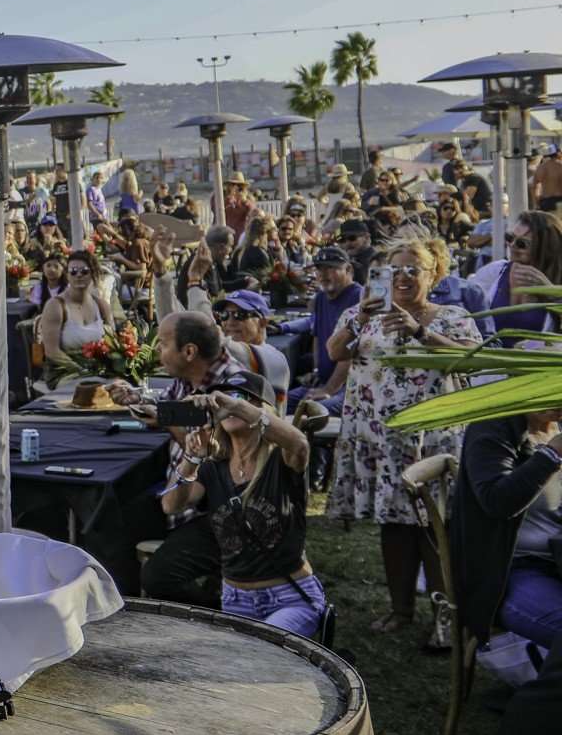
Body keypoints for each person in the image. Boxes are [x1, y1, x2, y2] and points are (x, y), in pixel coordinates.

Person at [328, 240, 482, 645]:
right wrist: (358, 318)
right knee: (393, 527)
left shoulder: (451, 317)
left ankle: (445, 619)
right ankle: (401, 610)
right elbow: (334, 352)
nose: (403, 276)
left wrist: (420, 332)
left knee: (434, 527)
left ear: (435, 275)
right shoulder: (361, 315)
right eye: (395, 268)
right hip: (379, 439)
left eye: (415, 269)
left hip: (431, 440)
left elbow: (471, 359)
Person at [157, 339, 323, 637]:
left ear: (261, 409)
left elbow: (299, 443)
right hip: (236, 599)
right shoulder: (213, 467)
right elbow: (171, 505)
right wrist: (192, 458)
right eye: (226, 397)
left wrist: (236, 405)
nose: (230, 403)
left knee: (263, 651)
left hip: (288, 597)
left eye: (243, 397)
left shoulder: (281, 460)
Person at [452, 408, 562, 735]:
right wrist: (552, 455)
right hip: (507, 573)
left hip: (553, 563)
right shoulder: (494, 426)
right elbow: (497, 501)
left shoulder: (556, 425)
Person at [123, 312, 269, 609]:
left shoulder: (233, 387)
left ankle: (218, 613)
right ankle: (124, 603)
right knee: (118, 517)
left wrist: (167, 422)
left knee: (159, 577)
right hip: (183, 494)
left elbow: (217, 457)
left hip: (218, 509)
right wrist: (137, 400)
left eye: (163, 344)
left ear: (189, 352)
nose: (157, 352)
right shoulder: (190, 378)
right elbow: (169, 407)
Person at [278, 246, 363, 420]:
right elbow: (316, 336)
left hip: (348, 387)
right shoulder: (321, 298)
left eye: (331, 268)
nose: (323, 274)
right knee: (274, 403)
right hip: (322, 382)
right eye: (319, 268)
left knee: (313, 413)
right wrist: (316, 371)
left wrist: (329, 389)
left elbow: (351, 352)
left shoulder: (359, 297)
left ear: (348, 270)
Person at [470, 210, 562, 339]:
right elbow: (467, 315)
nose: (512, 245)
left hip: (535, 357)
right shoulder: (494, 272)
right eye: (509, 237)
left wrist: (552, 294)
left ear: (545, 248)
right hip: (490, 355)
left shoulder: (557, 282)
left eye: (522, 244)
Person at [38, 249, 116, 364]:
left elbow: (113, 343)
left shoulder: (101, 305)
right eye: (73, 271)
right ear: (67, 275)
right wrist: (82, 371)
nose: (78, 275)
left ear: (93, 274)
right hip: (64, 369)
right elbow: (52, 352)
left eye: (84, 271)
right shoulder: (55, 306)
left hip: (99, 367)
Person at [216, 290, 289, 407]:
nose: (230, 322)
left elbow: (212, 338)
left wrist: (195, 284)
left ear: (263, 322)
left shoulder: (273, 357)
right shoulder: (229, 354)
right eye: (224, 315)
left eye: (239, 315)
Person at [335, 217, 374, 286]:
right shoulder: (344, 259)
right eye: (342, 240)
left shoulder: (375, 260)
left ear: (366, 237)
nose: (347, 243)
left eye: (352, 238)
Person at [534, 148, 562, 214]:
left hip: (546, 201)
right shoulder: (560, 166)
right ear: (558, 154)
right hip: (560, 201)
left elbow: (534, 186)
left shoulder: (541, 167)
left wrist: (536, 201)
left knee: (547, 223)